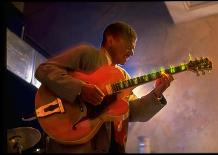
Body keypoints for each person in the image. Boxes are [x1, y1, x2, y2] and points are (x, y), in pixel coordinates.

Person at [35, 21, 174, 153]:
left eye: (133, 49)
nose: (132, 52)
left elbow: (135, 113)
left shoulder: (124, 76)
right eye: (129, 44)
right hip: (76, 144)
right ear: (110, 39)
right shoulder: (87, 54)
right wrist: (81, 89)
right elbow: (44, 69)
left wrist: (157, 93)